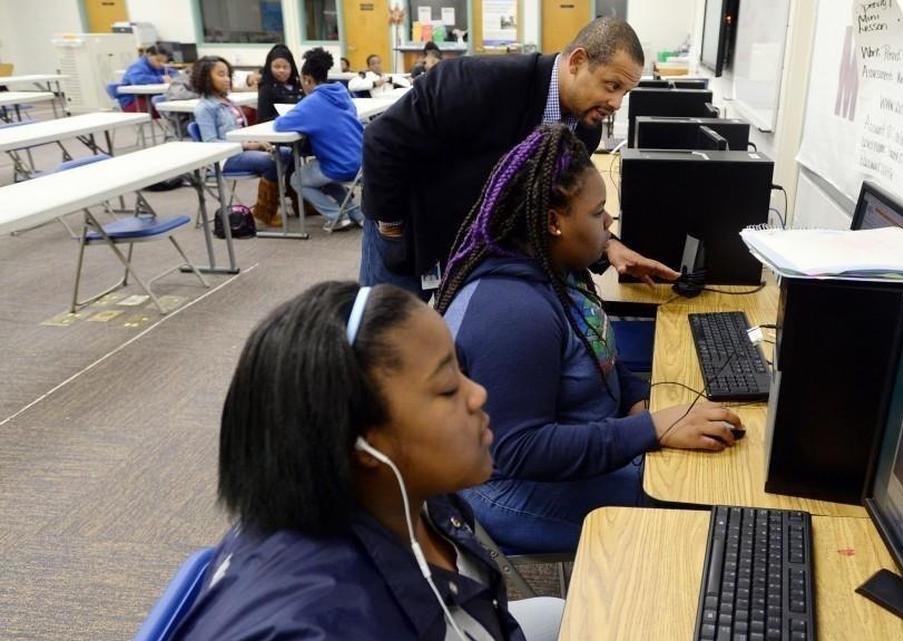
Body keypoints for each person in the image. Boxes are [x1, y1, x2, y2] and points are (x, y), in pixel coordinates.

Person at [170, 282, 564, 641]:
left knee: (558, 614)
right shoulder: (319, 626)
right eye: (447, 388)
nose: (477, 394)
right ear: (363, 443)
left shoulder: (411, 492)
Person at [436, 124, 744, 553]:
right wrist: (651, 428)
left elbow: (600, 355)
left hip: (572, 450)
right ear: (553, 222)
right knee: (703, 503)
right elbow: (520, 449)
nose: (609, 222)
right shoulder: (512, 311)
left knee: (704, 469)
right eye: (598, 213)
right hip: (513, 487)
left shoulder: (558, 271)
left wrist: (637, 402)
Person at [361, 16, 679, 301]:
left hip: (472, 246)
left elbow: (559, 201)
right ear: (577, 62)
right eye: (612, 86)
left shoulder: (584, 129)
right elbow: (381, 140)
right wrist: (391, 228)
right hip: (412, 228)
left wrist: (608, 245)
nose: (617, 103)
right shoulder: (482, 81)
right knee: (383, 335)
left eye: (625, 92)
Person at [275, 48, 365, 231]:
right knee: (320, 174)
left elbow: (280, 124)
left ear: (307, 79)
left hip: (341, 165)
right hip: (362, 162)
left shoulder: (312, 102)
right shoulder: (342, 93)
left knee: (296, 179)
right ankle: (356, 214)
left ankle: (336, 216)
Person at [192, 56, 284, 227]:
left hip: (241, 150)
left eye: (228, 74)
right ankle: (265, 211)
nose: (227, 79)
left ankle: (298, 204)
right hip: (224, 158)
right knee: (273, 160)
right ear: (206, 78)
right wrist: (247, 145)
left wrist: (254, 140)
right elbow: (210, 143)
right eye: (221, 74)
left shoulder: (228, 102)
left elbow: (239, 130)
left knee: (286, 152)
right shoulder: (204, 108)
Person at [256, 44, 304, 124]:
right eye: (277, 67)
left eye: (285, 67)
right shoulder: (266, 89)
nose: (281, 70)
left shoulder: (299, 86)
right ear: (270, 67)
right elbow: (262, 118)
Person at [118, 44, 172, 112]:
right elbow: (137, 80)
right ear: (149, 55)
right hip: (133, 101)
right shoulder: (138, 66)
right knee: (169, 110)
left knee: (170, 106)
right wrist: (161, 79)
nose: (160, 64)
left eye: (164, 62)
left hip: (149, 98)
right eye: (158, 60)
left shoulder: (157, 66)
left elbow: (173, 73)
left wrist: (173, 77)